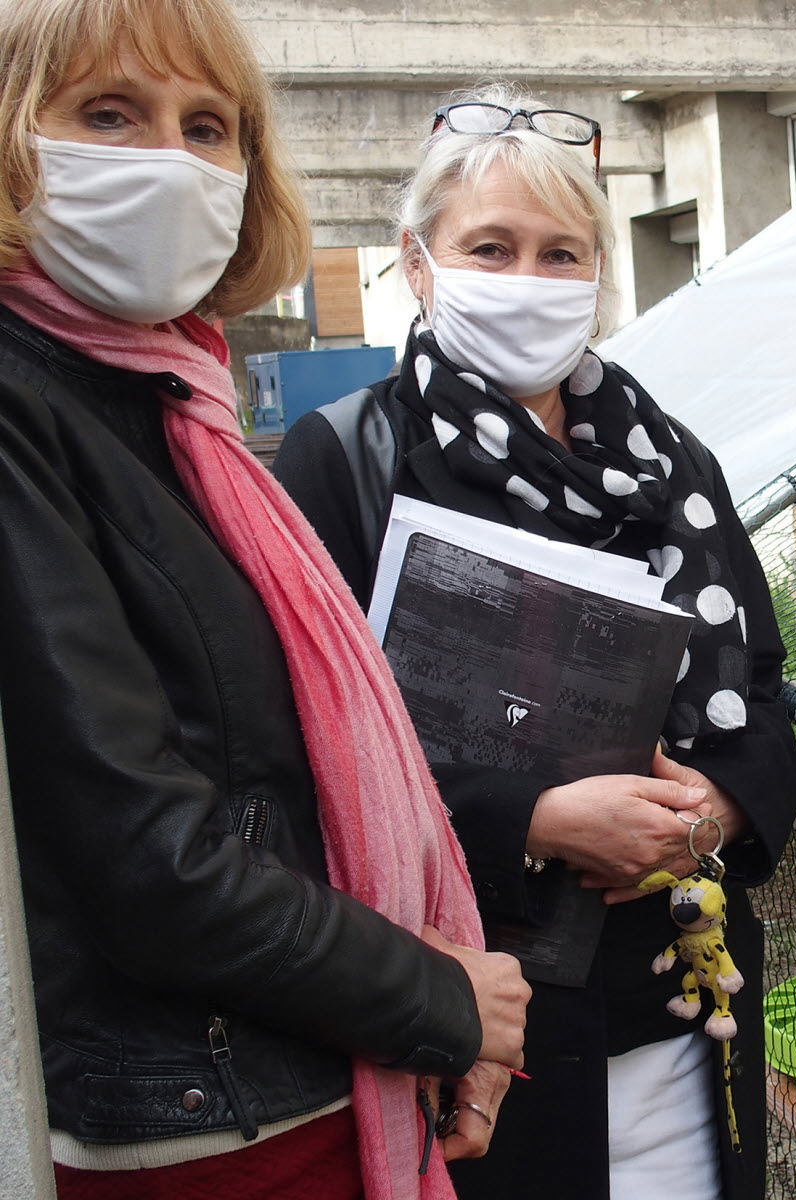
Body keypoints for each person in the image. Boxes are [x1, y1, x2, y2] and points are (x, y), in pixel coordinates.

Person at [0, 2, 532, 1197]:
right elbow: (147, 855)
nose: (170, 163)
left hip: (308, 1072)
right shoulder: (30, 409)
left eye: (208, 126)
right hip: (198, 1122)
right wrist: (437, 993)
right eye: (107, 114)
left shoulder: (175, 409)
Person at [273, 86, 796, 1200]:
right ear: (417, 264)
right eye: (489, 247)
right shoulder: (347, 458)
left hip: (674, 983)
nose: (526, 280)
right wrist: (536, 821)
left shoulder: (670, 465)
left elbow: (758, 687)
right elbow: (295, 747)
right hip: (476, 1009)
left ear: (596, 276)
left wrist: (715, 812)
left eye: (561, 253)